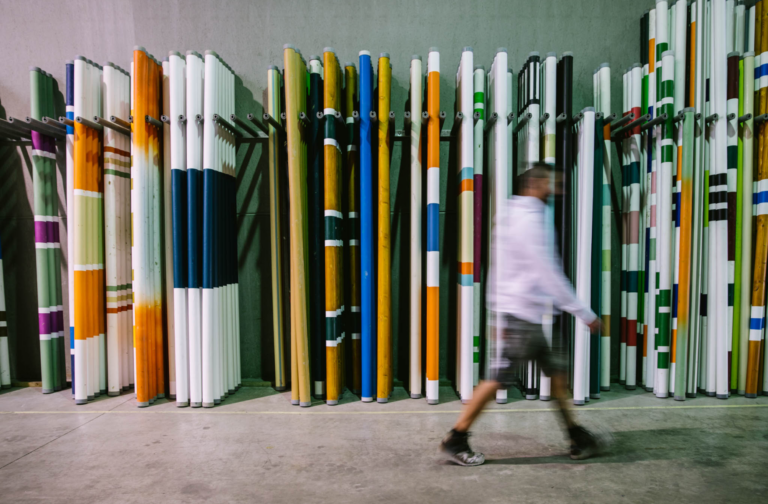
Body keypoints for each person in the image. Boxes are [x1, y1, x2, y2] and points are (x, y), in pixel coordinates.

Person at [441, 162, 603, 466]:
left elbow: (500, 268)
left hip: (528, 314)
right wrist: (584, 312)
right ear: (536, 184)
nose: (558, 190)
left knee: (557, 374)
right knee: (496, 379)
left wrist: (497, 310)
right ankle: (456, 437)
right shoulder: (528, 219)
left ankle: (576, 436)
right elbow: (547, 271)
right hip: (521, 316)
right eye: (553, 184)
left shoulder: (516, 213)